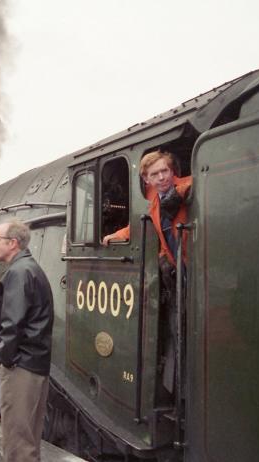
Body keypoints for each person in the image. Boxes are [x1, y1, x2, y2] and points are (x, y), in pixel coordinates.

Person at [102, 149, 192, 394]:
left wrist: (179, 193)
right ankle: (179, 387)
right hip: (176, 273)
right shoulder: (155, 203)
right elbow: (140, 225)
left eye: (165, 171)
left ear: (173, 172)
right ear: (147, 180)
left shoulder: (186, 188)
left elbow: (191, 186)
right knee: (177, 327)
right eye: (155, 174)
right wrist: (116, 236)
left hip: (196, 267)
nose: (162, 177)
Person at [0, 220, 54, 462]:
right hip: (33, 363)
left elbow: (12, 325)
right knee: (28, 439)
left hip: (21, 367)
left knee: (17, 442)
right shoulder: (29, 268)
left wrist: (6, 359)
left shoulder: (19, 272)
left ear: (12, 243)